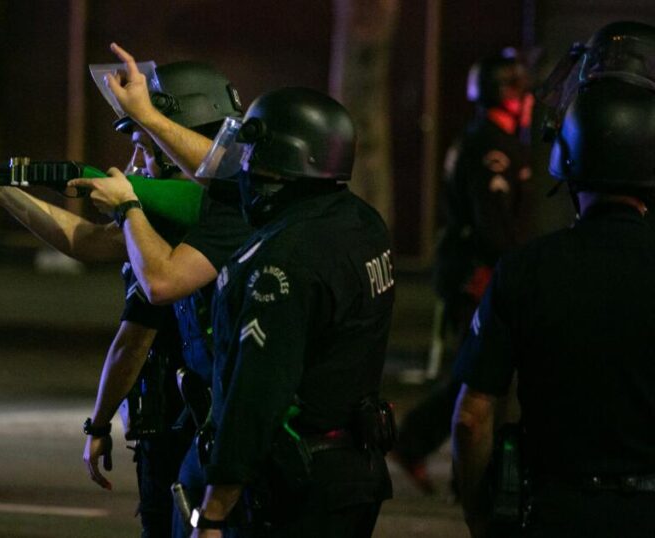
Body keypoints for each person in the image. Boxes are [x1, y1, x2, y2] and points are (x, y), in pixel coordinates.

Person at [0, 58, 248, 538]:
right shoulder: (220, 212)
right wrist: (2, 191)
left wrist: (98, 424)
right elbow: (89, 240)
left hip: (187, 423)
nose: (135, 161)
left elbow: (135, 334)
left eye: (145, 145)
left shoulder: (204, 218)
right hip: (203, 422)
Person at [76, 85, 396, 536]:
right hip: (354, 474)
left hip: (285, 487)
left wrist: (214, 511)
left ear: (281, 164)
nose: (242, 169)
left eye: (251, 158)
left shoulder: (281, 261)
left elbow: (255, 397)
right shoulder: (361, 224)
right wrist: (147, 115)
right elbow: (223, 177)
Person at [452, 20, 655, 538]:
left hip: (555, 509)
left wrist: (478, 515)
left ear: (568, 164)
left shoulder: (525, 270)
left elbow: (473, 417)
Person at [392, 50, 534, 494]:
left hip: (470, 271)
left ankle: (433, 450)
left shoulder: (480, 139)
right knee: (481, 376)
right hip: (480, 276)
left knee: (476, 372)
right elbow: (494, 228)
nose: (530, 101)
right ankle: (456, 464)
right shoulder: (493, 149)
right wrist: (520, 269)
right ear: (507, 95)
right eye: (523, 91)